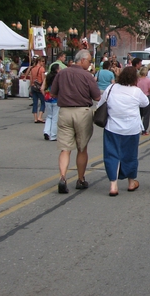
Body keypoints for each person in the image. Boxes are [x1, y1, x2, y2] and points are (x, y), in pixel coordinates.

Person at [50, 49, 101, 194]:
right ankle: (80, 179)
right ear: (82, 60)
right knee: (82, 147)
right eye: (90, 61)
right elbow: (97, 96)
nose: (90, 64)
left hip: (65, 111)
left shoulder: (62, 73)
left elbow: (52, 92)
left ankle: (62, 177)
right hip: (82, 112)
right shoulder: (87, 76)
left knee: (65, 148)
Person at [98, 66, 149, 196]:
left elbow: (100, 104)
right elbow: (145, 103)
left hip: (112, 127)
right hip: (131, 129)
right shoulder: (136, 91)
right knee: (130, 155)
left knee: (111, 155)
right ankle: (131, 182)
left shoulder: (111, 88)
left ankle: (113, 185)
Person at [42, 64, 60, 141]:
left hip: (47, 98)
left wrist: (45, 95)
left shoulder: (47, 77)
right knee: (55, 117)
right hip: (56, 99)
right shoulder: (58, 77)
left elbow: (42, 88)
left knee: (49, 116)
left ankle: (46, 131)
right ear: (57, 70)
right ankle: (53, 135)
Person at [137, 66, 150, 134]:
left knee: (139, 114)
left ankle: (138, 127)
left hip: (138, 97)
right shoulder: (148, 80)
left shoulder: (137, 80)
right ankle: (144, 130)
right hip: (146, 97)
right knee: (146, 115)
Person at [30, 57, 46, 123]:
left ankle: (35, 118)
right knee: (43, 102)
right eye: (43, 61)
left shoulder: (32, 69)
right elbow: (43, 79)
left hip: (33, 87)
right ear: (39, 61)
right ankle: (40, 117)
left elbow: (31, 79)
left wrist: (31, 87)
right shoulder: (42, 69)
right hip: (39, 87)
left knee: (35, 103)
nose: (44, 63)